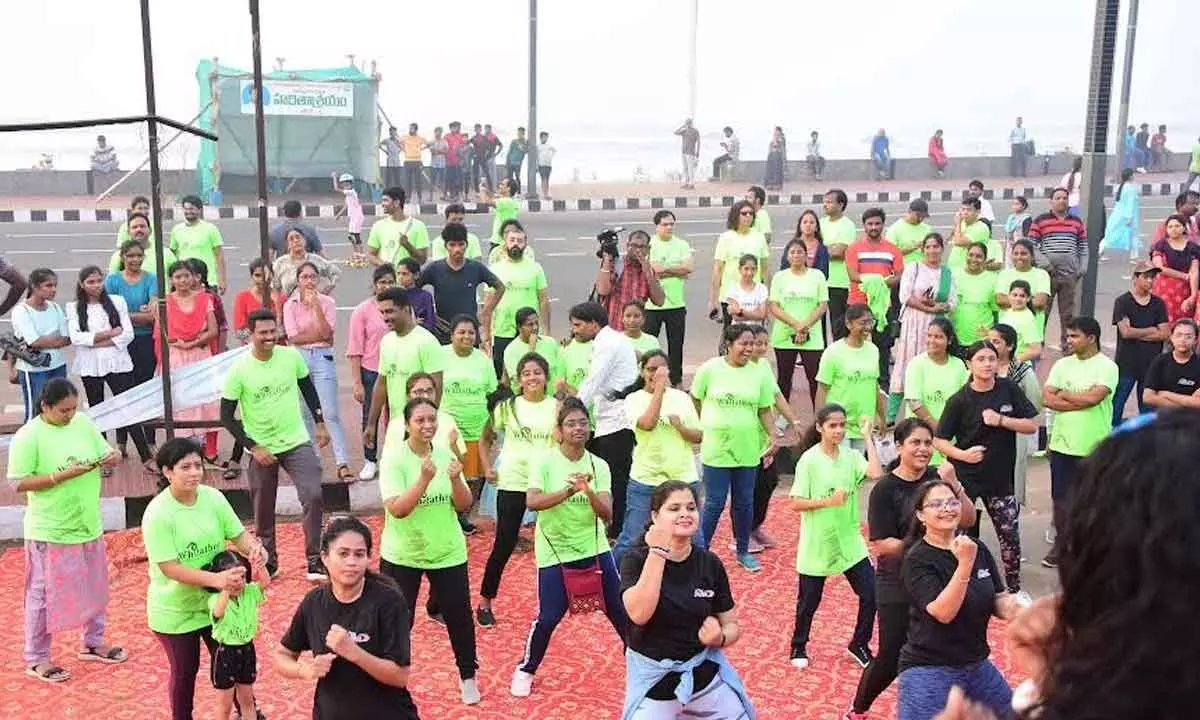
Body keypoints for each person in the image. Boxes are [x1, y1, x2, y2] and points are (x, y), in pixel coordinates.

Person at [846, 419, 974, 719]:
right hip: (897, 582)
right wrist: (924, 542)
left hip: (940, 576)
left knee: (946, 647)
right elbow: (881, 544)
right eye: (915, 443)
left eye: (928, 443)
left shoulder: (938, 478)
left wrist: (954, 484)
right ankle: (857, 710)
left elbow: (966, 519)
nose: (923, 449)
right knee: (892, 654)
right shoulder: (886, 488)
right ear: (900, 446)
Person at [8, 378, 126, 683]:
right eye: (63, 410)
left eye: (74, 408)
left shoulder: (83, 423)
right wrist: (57, 477)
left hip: (87, 522)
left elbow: (104, 451)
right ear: (45, 407)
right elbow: (17, 482)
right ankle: (37, 657)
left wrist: (111, 455)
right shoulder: (28, 435)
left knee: (96, 586)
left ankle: (93, 641)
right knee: (43, 595)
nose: (70, 415)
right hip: (51, 529)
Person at [142, 438, 267, 720]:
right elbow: (170, 568)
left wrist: (256, 551)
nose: (194, 473)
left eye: (198, 465)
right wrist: (219, 580)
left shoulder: (213, 498)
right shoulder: (158, 513)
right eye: (185, 467)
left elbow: (239, 535)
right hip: (176, 610)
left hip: (217, 605)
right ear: (167, 471)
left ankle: (248, 712)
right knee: (186, 671)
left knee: (233, 660)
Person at [513, 397, 628, 697]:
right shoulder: (546, 461)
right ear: (559, 430)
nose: (578, 428)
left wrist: (587, 491)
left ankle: (643, 663)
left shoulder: (598, 465)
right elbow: (533, 502)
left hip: (594, 547)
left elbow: (607, 514)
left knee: (619, 610)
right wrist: (568, 490)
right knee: (549, 616)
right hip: (555, 551)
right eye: (571, 423)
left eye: (582, 423)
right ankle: (526, 669)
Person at [619, 481, 754, 720]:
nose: (684, 514)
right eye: (674, 509)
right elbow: (639, 614)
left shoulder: (709, 563)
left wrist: (720, 637)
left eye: (691, 508)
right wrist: (658, 552)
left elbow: (732, 625)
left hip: (702, 678)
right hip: (655, 686)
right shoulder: (635, 559)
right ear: (654, 516)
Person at [377, 396, 480, 705]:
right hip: (402, 554)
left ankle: (468, 676)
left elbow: (463, 505)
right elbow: (397, 509)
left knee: (459, 616)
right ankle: (389, 681)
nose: (427, 425)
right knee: (397, 620)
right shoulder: (394, 459)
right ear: (406, 425)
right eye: (420, 420)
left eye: (432, 419)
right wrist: (423, 479)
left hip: (446, 550)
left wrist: (454, 479)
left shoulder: (446, 453)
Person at [895, 480, 1024, 720]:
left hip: (976, 663)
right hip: (930, 667)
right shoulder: (918, 559)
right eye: (936, 504)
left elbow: (998, 598)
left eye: (952, 502)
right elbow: (943, 612)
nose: (947, 508)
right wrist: (964, 564)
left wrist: (1019, 609)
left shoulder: (976, 548)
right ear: (921, 515)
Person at [221, 308, 331, 580]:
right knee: (262, 506)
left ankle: (315, 559)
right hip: (262, 448)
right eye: (263, 333)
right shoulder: (239, 370)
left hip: (296, 441)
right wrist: (253, 446)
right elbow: (226, 416)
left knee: (313, 494)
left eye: (273, 331)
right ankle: (270, 560)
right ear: (251, 335)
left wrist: (319, 422)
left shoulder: (291, 356)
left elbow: (308, 388)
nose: (270, 337)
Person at [274, 516, 420, 719]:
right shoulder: (314, 602)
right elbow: (283, 655)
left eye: (359, 554)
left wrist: (354, 652)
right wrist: (305, 670)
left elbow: (399, 676)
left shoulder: (389, 602)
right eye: (343, 554)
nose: (351, 562)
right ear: (325, 557)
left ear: (368, 558)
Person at [934, 340, 1039, 592]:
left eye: (991, 359)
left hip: (1000, 478)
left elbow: (1031, 425)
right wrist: (962, 455)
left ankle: (1013, 590)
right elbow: (939, 440)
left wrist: (1002, 420)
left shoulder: (1008, 388)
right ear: (969, 364)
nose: (987, 364)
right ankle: (960, 586)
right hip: (966, 479)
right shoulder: (959, 400)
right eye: (980, 359)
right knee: (961, 534)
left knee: (1010, 537)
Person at [788, 407, 884, 670]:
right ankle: (798, 644)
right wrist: (827, 501)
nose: (839, 431)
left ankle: (860, 643)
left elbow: (876, 473)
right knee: (809, 601)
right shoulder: (808, 461)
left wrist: (867, 437)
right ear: (820, 427)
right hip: (818, 540)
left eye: (842, 425)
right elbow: (795, 503)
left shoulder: (852, 456)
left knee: (872, 593)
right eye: (833, 426)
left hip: (849, 539)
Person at [477, 353, 559, 627]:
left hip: (545, 483)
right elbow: (485, 437)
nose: (532, 377)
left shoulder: (557, 407)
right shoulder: (507, 407)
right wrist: (488, 466)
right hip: (512, 481)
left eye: (537, 372)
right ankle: (485, 600)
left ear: (546, 376)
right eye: (527, 373)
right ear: (518, 379)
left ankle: (555, 602)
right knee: (504, 542)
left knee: (551, 543)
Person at [691, 323, 776, 572]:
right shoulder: (710, 369)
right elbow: (695, 397)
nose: (749, 349)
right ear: (728, 344)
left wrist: (773, 434)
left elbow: (764, 408)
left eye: (752, 344)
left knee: (744, 501)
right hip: (717, 447)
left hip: (748, 447)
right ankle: (700, 552)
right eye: (744, 343)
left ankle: (742, 550)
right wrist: (704, 423)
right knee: (715, 501)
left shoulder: (759, 372)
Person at [1041, 317, 1118, 569]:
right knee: (1060, 498)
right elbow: (1047, 398)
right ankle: (1062, 544)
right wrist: (1074, 399)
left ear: (1091, 338)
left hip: (1093, 445)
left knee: (1091, 498)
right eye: (1068, 336)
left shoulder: (1107, 367)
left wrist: (1064, 394)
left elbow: (1094, 398)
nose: (1068, 341)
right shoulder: (1062, 365)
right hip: (1063, 444)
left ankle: (1089, 545)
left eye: (1074, 336)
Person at [612, 350, 703, 564]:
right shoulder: (634, 399)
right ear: (642, 372)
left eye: (661, 369)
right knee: (631, 537)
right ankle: (611, 581)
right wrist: (660, 390)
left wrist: (680, 427)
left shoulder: (681, 398)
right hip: (646, 478)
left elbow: (698, 436)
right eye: (651, 369)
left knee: (695, 538)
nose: (656, 374)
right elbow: (647, 424)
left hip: (682, 478)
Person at [564, 301, 639, 540]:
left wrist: (570, 412)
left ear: (593, 324)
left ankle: (617, 530)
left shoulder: (608, 344)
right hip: (610, 419)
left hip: (616, 421)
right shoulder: (610, 341)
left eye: (578, 325)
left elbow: (593, 381)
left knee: (615, 478)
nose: (574, 331)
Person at [67, 265, 152, 471]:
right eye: (91, 282)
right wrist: (109, 334)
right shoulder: (74, 307)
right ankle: (102, 458)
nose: (96, 285)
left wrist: (96, 342)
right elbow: (77, 338)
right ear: (82, 284)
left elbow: (127, 333)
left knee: (127, 408)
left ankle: (146, 457)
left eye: (99, 280)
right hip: (90, 365)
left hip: (117, 362)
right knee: (98, 410)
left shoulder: (116, 302)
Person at [282, 262, 354, 481]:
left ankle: (342, 462)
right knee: (305, 412)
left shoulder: (327, 303)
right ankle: (312, 462)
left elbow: (327, 333)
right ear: (298, 280)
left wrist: (315, 309)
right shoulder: (290, 305)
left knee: (330, 412)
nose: (309, 281)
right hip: (300, 357)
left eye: (313, 277)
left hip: (323, 358)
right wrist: (318, 337)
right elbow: (293, 337)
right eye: (305, 277)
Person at [364, 288, 445, 453]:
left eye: (390, 311)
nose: (385, 317)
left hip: (420, 428)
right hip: (396, 426)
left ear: (406, 309)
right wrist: (371, 424)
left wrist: (427, 426)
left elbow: (437, 388)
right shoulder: (387, 341)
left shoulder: (427, 342)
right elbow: (381, 384)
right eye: (382, 313)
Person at [155, 261, 219, 458]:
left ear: (193, 277)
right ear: (171, 280)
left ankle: (210, 451)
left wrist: (192, 343)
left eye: (186, 276)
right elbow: (161, 332)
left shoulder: (204, 299)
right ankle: (179, 449)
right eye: (178, 277)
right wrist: (181, 345)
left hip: (200, 355)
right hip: (176, 356)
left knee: (207, 401)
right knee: (180, 403)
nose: (182, 280)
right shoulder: (164, 302)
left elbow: (213, 330)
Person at [440, 315, 498, 530]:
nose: (466, 336)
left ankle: (463, 515)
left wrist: (491, 425)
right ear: (452, 334)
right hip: (449, 427)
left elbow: (491, 393)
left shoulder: (483, 359)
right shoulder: (440, 355)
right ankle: (447, 514)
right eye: (461, 332)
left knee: (472, 477)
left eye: (471, 333)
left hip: (477, 426)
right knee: (449, 472)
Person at [891, 233, 954, 418]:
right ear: (922, 249)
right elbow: (905, 297)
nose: (932, 250)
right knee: (906, 365)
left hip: (935, 325)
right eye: (928, 247)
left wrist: (944, 307)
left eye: (936, 246)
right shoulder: (914, 268)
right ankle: (891, 417)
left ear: (942, 249)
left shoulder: (947, 273)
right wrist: (929, 308)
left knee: (931, 364)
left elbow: (953, 300)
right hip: (914, 324)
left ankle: (930, 411)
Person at [205, 549, 269, 720]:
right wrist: (225, 588)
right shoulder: (215, 599)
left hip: (247, 650)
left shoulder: (249, 592)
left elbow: (264, 583)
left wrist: (260, 566)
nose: (239, 583)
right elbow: (218, 612)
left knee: (247, 701)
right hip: (226, 653)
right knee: (224, 705)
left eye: (241, 577)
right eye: (233, 579)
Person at [347, 265, 396, 481]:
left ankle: (394, 459)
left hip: (397, 370)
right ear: (375, 285)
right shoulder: (363, 310)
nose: (386, 286)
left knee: (398, 416)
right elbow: (355, 348)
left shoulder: (402, 308)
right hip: (372, 371)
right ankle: (370, 460)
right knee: (370, 417)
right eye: (382, 282)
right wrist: (357, 382)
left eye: (390, 282)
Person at [815, 304, 886, 450]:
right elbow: (822, 389)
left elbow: (875, 386)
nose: (867, 327)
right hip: (839, 425)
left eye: (870, 322)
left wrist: (882, 417)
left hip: (864, 426)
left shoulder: (873, 350)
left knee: (859, 468)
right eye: (863, 322)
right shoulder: (833, 352)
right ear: (848, 324)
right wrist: (820, 422)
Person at [770, 236, 829, 409]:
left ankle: (819, 418)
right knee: (784, 378)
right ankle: (781, 417)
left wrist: (805, 327)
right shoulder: (780, 277)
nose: (796, 255)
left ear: (806, 255)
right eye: (793, 252)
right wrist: (796, 325)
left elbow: (822, 305)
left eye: (800, 252)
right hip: (785, 335)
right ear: (787, 256)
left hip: (812, 336)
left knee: (814, 378)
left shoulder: (817, 276)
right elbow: (774, 306)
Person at [419, 223, 503, 344]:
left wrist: (486, 312)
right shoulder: (434, 269)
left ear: (466, 245)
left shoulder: (476, 268)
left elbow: (500, 287)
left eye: (461, 244)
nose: (457, 249)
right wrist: (431, 315)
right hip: (443, 333)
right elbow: (414, 290)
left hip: (469, 334)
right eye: (452, 245)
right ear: (445, 246)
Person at [486, 224, 550, 379]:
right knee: (503, 373)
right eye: (512, 240)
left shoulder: (536, 268)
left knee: (530, 371)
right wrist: (487, 334)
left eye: (519, 241)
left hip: (530, 331)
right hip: (503, 330)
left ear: (525, 244)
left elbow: (543, 300)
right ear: (504, 243)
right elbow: (488, 305)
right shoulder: (495, 269)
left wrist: (546, 330)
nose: (515, 244)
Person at [988, 324, 1042, 506]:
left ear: (1009, 346)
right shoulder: (982, 367)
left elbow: (1034, 402)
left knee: (1010, 487)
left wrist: (1009, 418)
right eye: (989, 341)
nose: (991, 345)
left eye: (996, 342)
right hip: (984, 434)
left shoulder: (1022, 372)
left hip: (1014, 435)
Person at [1027, 190, 1088, 348]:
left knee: (1067, 314)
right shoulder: (1041, 220)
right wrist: (1045, 264)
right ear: (1051, 201)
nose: (1062, 201)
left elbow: (1083, 246)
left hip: (1069, 275)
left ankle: (1067, 344)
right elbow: (1032, 244)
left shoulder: (1076, 222)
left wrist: (1082, 268)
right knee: (1042, 311)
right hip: (1047, 275)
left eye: (1065, 198)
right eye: (1058, 198)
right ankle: (1037, 343)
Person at [903, 319, 969, 463]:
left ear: (949, 340)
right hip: (921, 437)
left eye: (938, 337)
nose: (932, 340)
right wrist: (938, 430)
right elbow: (914, 403)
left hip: (951, 438)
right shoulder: (916, 364)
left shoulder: (958, 365)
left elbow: (966, 400)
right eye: (929, 335)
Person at [1110, 262, 1168, 423]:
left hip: (1151, 365)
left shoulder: (1158, 303)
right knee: (1117, 405)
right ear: (1135, 278)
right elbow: (1126, 332)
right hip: (1126, 364)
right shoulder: (1122, 302)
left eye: (1152, 277)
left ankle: (1145, 444)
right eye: (1146, 277)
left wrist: (1137, 332)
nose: (1150, 281)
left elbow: (1164, 333)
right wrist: (1151, 330)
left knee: (1148, 410)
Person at [11, 269, 70, 421]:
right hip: (33, 369)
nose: (54, 289)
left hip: (58, 366)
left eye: (55, 285)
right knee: (36, 413)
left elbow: (66, 338)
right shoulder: (21, 311)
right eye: (48, 285)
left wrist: (41, 342)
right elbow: (34, 341)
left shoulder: (55, 307)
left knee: (57, 410)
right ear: (34, 287)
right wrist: (49, 340)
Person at [643, 210, 692, 387]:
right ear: (657, 226)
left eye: (671, 224)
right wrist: (675, 270)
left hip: (676, 304)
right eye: (665, 224)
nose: (669, 227)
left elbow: (688, 268)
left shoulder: (682, 244)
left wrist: (664, 270)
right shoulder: (649, 245)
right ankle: (647, 381)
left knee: (676, 346)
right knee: (648, 346)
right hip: (651, 306)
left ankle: (676, 381)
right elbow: (648, 272)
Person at [707, 200, 769, 334]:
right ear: (736, 215)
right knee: (731, 335)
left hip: (755, 295)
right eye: (744, 213)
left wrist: (767, 298)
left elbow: (764, 269)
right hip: (730, 295)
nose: (748, 216)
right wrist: (712, 300)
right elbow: (718, 269)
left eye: (751, 213)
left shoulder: (759, 237)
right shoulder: (725, 238)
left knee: (754, 334)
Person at [168, 195, 226, 293]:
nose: (188, 212)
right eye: (186, 209)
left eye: (192, 209)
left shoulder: (211, 229)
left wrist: (222, 280)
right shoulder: (176, 230)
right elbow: (172, 256)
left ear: (199, 210)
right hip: (184, 281)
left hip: (207, 281)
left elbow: (219, 256)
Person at [1150, 213, 1199, 323]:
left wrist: (1193, 295)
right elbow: (1159, 268)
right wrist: (1184, 276)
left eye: (1177, 226)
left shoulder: (1192, 247)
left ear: (1183, 228)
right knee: (1164, 319)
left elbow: (1194, 271)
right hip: (1164, 290)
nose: (1173, 229)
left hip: (1184, 290)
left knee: (1184, 320)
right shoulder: (1161, 245)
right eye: (1170, 227)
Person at [821, 190, 857, 339]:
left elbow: (840, 253)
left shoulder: (847, 225)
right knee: (818, 324)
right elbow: (810, 249)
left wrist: (823, 251)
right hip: (821, 280)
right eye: (825, 201)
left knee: (839, 324)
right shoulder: (820, 223)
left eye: (829, 202)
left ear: (841, 204)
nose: (825, 205)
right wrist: (829, 249)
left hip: (840, 282)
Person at [1143, 318, 1200, 410]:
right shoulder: (1160, 361)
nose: (1183, 340)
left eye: (1188, 336)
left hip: (1193, 420)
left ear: (1196, 340)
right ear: (1171, 337)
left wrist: (1167, 394)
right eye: (1179, 335)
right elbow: (1147, 397)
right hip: (1164, 418)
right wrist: (1186, 404)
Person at [501, 307, 562, 390]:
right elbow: (520, 381)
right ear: (519, 327)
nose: (535, 327)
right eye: (530, 324)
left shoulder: (550, 342)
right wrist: (531, 349)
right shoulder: (511, 350)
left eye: (537, 323)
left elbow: (560, 371)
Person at [995, 239, 1051, 329]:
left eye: (1024, 254)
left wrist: (1011, 299)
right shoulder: (1004, 274)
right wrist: (1029, 299)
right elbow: (1000, 300)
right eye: (1016, 253)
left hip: (1033, 328)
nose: (1019, 257)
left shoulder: (1041, 274)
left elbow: (1040, 302)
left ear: (1032, 256)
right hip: (1007, 330)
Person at [367, 186, 429, 267]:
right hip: (388, 278)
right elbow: (371, 255)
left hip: (409, 279)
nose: (382, 204)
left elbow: (422, 259)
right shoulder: (378, 226)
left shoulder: (418, 226)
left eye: (386, 200)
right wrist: (383, 265)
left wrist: (408, 246)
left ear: (396, 203)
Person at [952, 242, 999, 345]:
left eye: (979, 256)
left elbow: (996, 311)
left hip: (983, 340)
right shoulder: (954, 275)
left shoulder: (993, 279)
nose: (973, 259)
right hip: (957, 337)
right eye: (971, 255)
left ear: (985, 259)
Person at [272, 228, 341, 299]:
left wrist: (327, 290)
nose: (295, 241)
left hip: (314, 304)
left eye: (298, 237)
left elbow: (336, 273)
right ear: (287, 244)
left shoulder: (316, 260)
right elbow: (275, 289)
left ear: (304, 240)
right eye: (291, 239)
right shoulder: (280, 263)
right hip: (290, 306)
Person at [108, 211, 177, 274]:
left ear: (150, 230)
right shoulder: (118, 256)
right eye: (134, 227)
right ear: (128, 232)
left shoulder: (165, 254)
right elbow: (112, 284)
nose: (139, 229)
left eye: (142, 226)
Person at [998, 280, 1043, 363]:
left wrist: (1013, 362)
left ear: (1028, 298)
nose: (1018, 299)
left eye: (1022, 296)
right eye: (1014, 295)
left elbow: (1036, 349)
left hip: (1018, 368)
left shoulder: (1027, 319)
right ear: (1008, 295)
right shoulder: (1009, 312)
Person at [1102, 168, 1142, 260]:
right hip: (1129, 215)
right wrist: (1128, 217)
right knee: (1134, 234)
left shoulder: (1120, 186)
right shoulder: (1131, 188)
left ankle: (1100, 250)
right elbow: (1130, 203)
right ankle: (1134, 255)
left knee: (1110, 233)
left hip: (1118, 213)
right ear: (1130, 176)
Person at [723, 254, 769, 327]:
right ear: (740, 269)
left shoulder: (762, 288)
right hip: (738, 332)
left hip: (757, 331)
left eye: (753, 269)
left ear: (757, 270)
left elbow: (762, 315)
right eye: (746, 268)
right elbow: (736, 317)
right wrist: (755, 313)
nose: (749, 273)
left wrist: (740, 311)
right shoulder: (733, 288)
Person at [887, 199, 933, 265]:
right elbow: (891, 254)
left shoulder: (927, 229)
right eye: (918, 215)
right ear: (909, 211)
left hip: (923, 269)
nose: (920, 219)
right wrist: (914, 247)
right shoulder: (894, 229)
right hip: (903, 271)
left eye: (923, 216)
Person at [332, 173, 365, 257]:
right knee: (351, 236)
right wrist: (338, 215)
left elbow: (336, 188)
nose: (346, 186)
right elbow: (346, 206)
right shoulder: (348, 195)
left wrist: (334, 177)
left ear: (351, 184)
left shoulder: (352, 192)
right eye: (344, 185)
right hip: (353, 217)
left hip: (357, 217)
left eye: (347, 184)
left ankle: (361, 253)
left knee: (355, 236)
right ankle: (356, 252)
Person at [674, 119, 700, 189]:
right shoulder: (684, 131)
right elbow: (675, 132)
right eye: (686, 123)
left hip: (691, 152)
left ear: (691, 123)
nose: (687, 124)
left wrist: (698, 151)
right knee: (685, 168)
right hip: (684, 151)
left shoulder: (695, 131)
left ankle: (692, 184)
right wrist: (682, 126)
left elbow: (699, 142)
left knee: (690, 168)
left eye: (688, 123)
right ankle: (686, 182)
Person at [429, 126, 449, 199]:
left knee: (443, 181)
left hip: (442, 164)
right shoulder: (432, 141)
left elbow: (446, 151)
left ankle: (444, 195)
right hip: (433, 164)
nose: (438, 133)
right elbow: (432, 152)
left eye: (440, 132)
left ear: (441, 133)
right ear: (435, 132)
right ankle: (430, 197)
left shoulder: (444, 141)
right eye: (437, 132)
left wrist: (438, 151)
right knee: (432, 181)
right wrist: (441, 151)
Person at [536, 131, 556, 199]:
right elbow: (536, 156)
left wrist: (551, 157)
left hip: (548, 164)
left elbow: (554, 150)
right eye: (544, 137)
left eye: (546, 137)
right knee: (543, 179)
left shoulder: (549, 145)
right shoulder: (538, 146)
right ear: (541, 138)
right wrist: (536, 165)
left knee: (547, 179)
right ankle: (544, 194)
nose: (545, 139)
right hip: (541, 164)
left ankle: (546, 193)